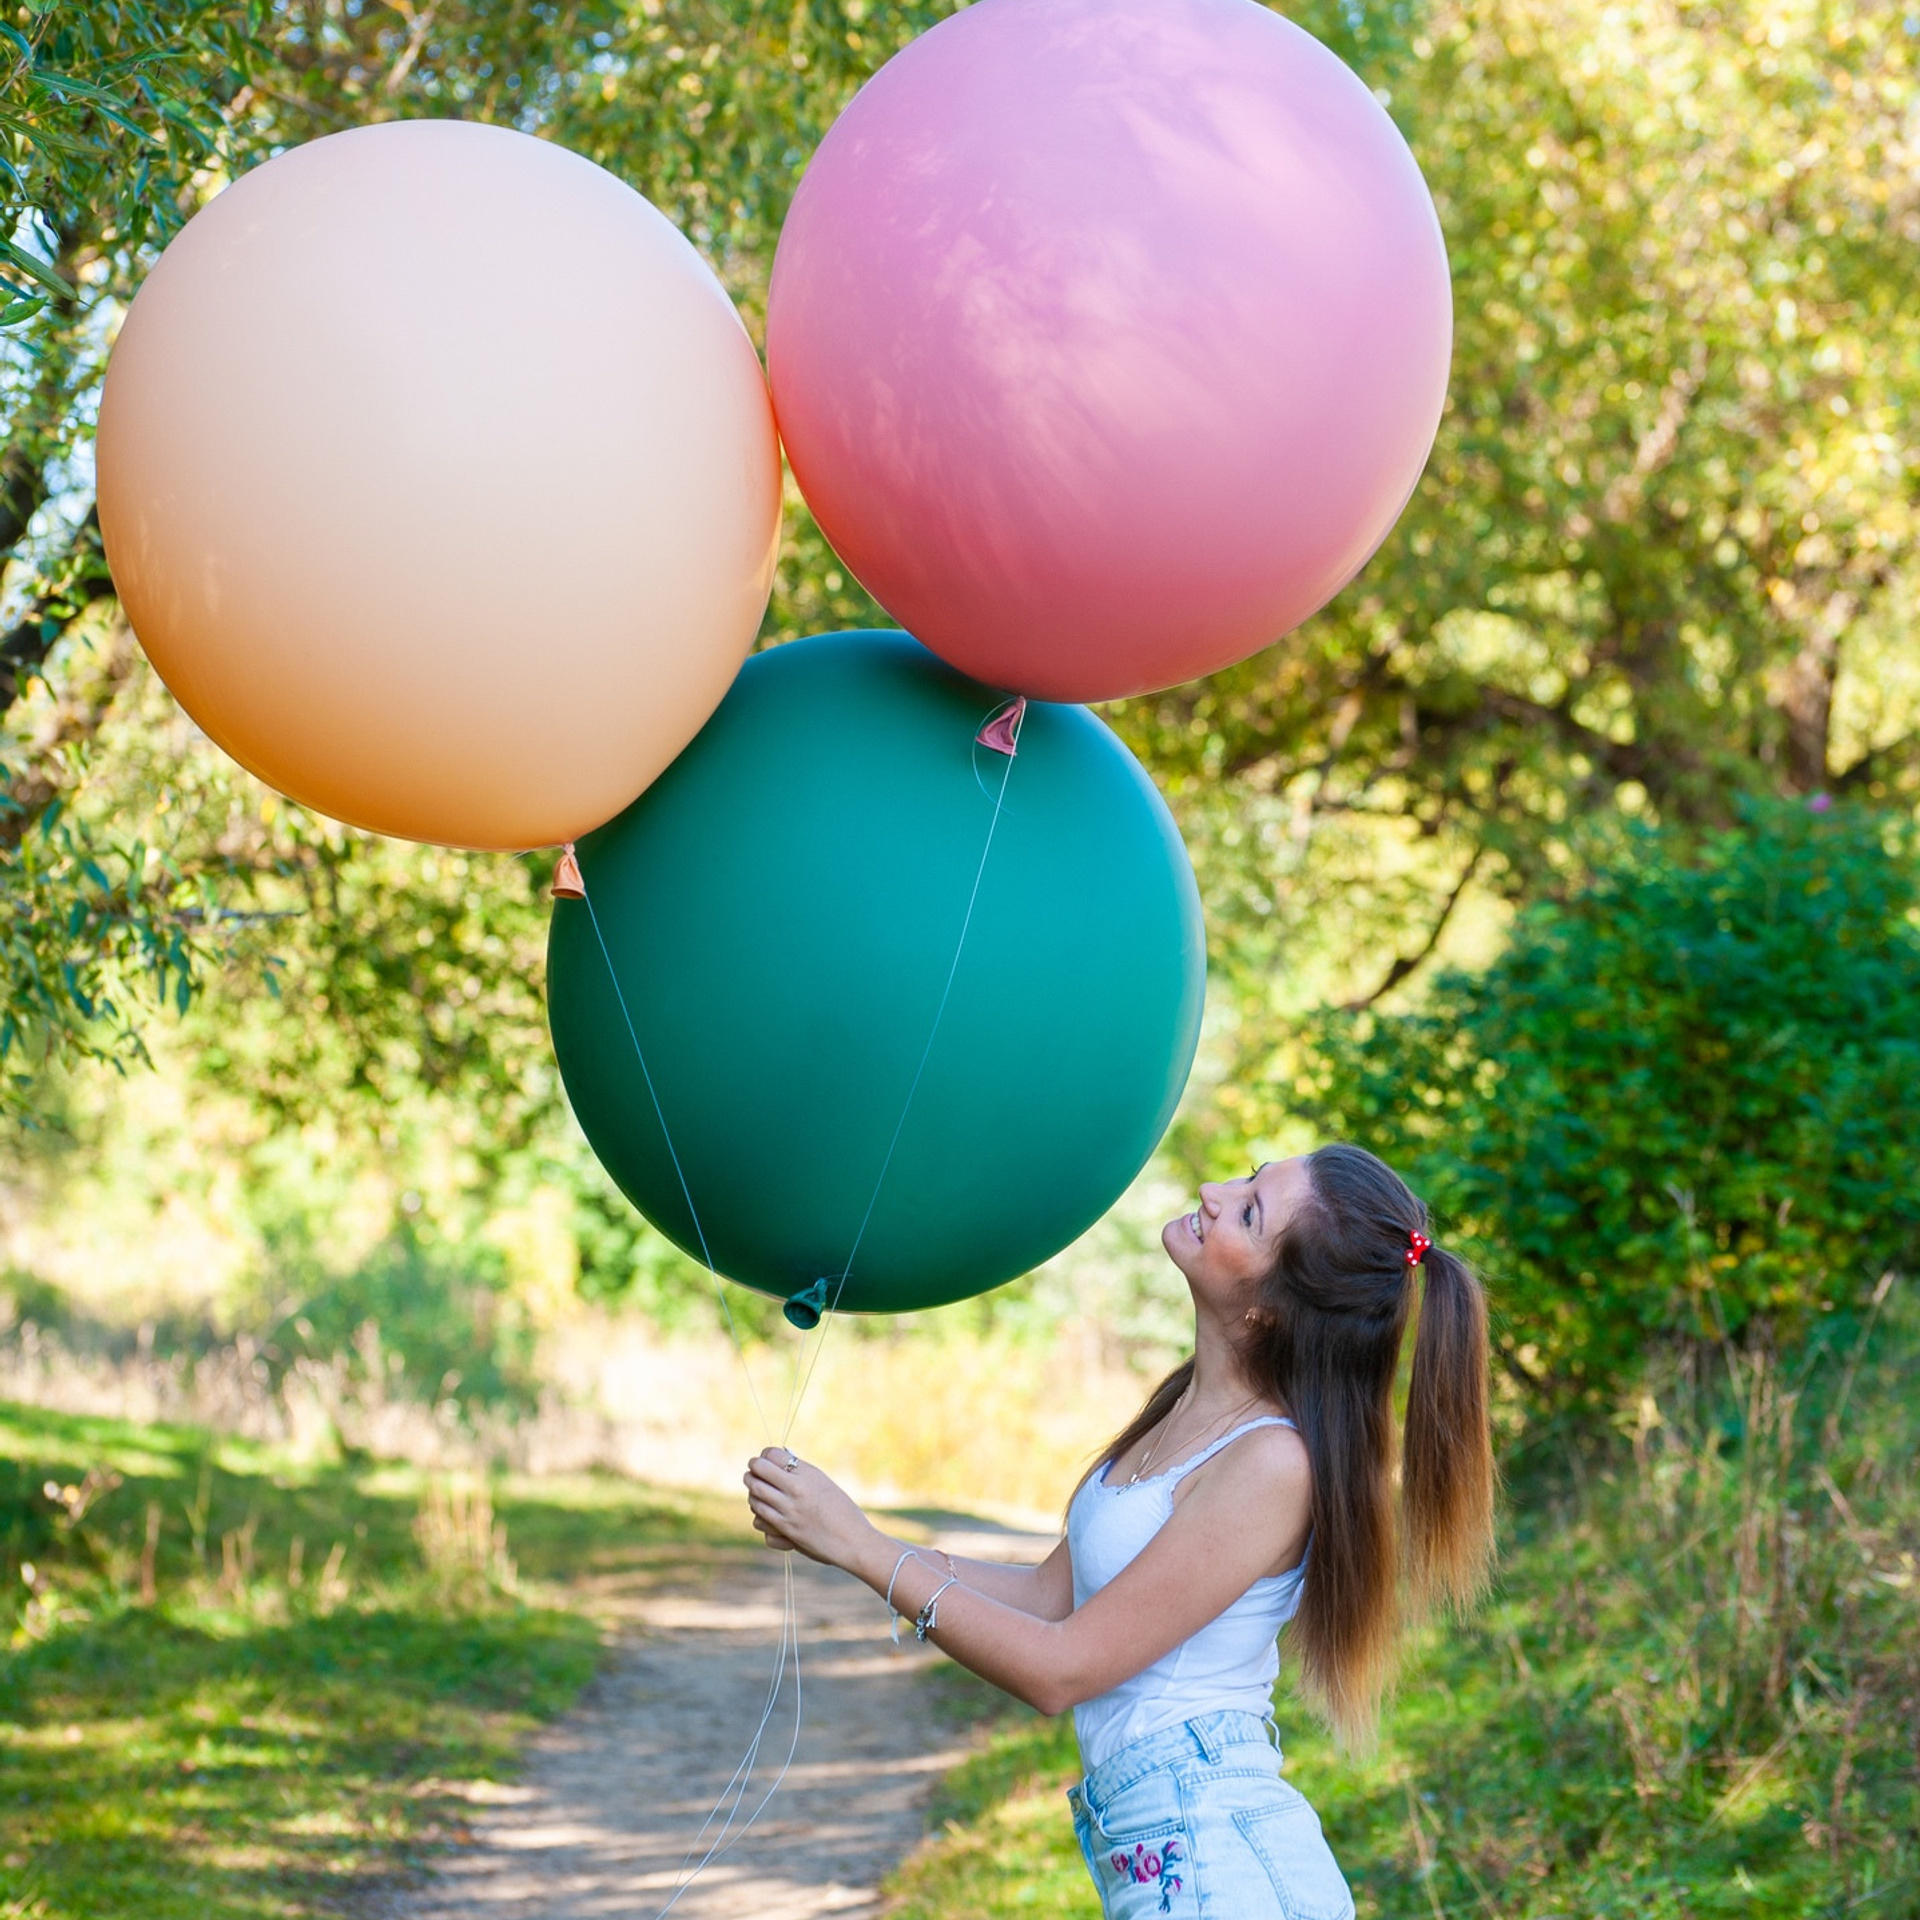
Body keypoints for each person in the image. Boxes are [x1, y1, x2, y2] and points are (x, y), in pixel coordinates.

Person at [744, 1143, 1495, 1918]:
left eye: (1248, 1211)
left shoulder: (1273, 1462)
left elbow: (1060, 1669)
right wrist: (841, 1535)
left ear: (1271, 1305)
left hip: (1217, 1864)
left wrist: (866, 1552)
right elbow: (1048, 1598)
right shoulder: (1185, 1410)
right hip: (1165, 1849)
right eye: (1247, 1174)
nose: (1211, 1190)